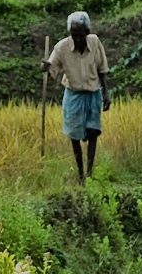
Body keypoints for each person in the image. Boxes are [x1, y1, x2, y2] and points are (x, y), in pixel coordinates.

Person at [42, 11, 110, 182]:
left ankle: (89, 172)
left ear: (86, 33)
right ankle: (80, 172)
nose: (77, 39)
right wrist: (46, 68)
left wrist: (105, 93)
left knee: (93, 132)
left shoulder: (94, 42)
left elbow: (102, 69)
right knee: (74, 135)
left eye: (80, 35)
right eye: (74, 35)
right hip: (73, 95)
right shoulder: (62, 47)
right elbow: (52, 70)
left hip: (93, 93)